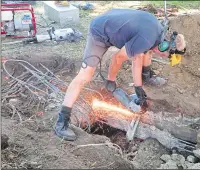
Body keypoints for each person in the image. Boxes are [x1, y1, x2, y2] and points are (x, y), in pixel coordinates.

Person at [54, 8, 186, 141]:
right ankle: (61, 122)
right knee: (85, 76)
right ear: (164, 46)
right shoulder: (147, 39)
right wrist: (111, 81)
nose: (164, 57)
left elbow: (138, 56)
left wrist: (138, 87)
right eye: (167, 56)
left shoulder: (158, 32)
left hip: (113, 21)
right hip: (100, 32)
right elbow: (117, 58)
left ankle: (147, 77)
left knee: (146, 51)